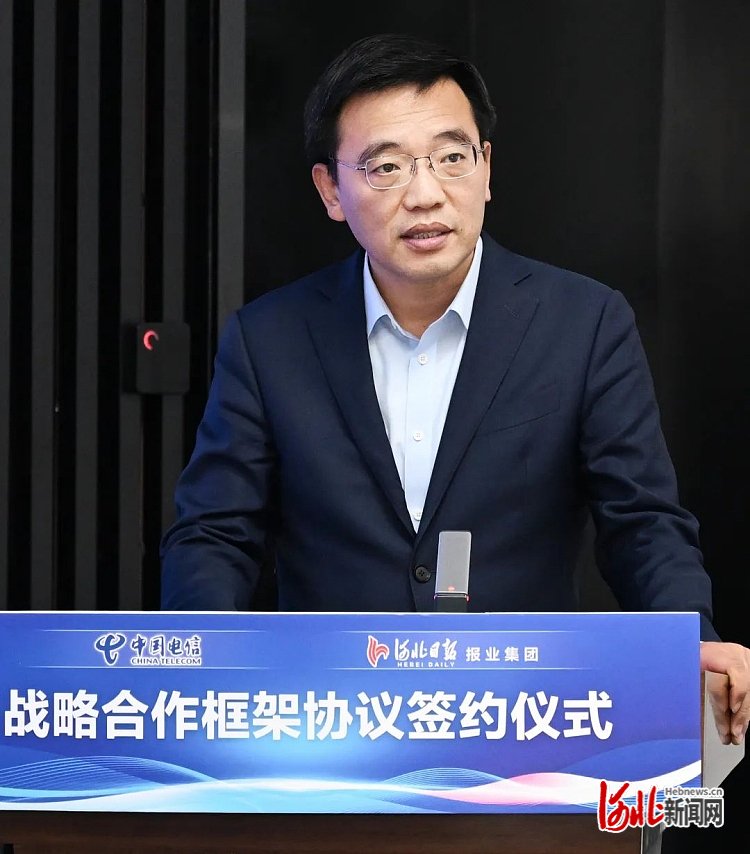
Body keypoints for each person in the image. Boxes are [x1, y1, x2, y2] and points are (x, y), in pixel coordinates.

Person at [160, 33, 749, 746]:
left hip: (526, 725)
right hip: (328, 731)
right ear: (331, 191)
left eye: (450, 157)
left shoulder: (584, 323)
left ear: (486, 168)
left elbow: (642, 522)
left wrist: (687, 638)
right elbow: (215, 533)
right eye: (386, 167)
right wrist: (201, 662)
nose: (426, 193)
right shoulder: (269, 338)